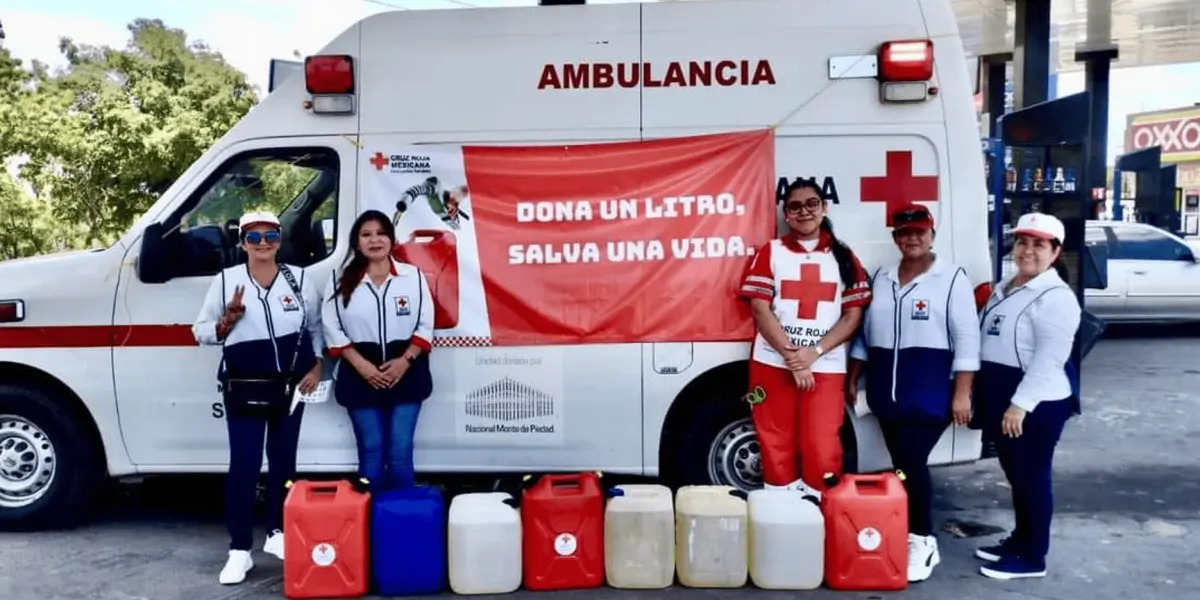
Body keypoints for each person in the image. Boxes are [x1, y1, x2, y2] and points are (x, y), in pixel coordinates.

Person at [846, 202, 980, 583]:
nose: (912, 238)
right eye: (904, 233)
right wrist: (852, 377)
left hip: (931, 394)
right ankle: (907, 530)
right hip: (886, 396)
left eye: (919, 231)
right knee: (903, 466)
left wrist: (963, 393)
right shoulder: (882, 277)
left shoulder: (951, 278)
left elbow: (968, 340)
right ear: (895, 238)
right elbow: (865, 337)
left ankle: (922, 538)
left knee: (909, 464)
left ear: (932, 233)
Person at [192, 210, 325, 585]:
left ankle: (278, 534)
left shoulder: (298, 280)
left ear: (280, 240)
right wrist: (227, 321)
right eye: (254, 237)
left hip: (291, 389)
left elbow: (315, 327)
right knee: (245, 468)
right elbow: (199, 332)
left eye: (270, 235)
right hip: (245, 387)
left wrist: (316, 367)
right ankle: (239, 551)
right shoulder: (225, 282)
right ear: (242, 242)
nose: (263, 243)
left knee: (284, 464)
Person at [737, 179, 872, 497]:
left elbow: (853, 316)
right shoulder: (771, 252)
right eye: (795, 206)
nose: (804, 212)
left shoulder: (844, 256)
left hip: (826, 367)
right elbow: (759, 308)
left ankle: (820, 513)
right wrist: (793, 358)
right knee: (774, 440)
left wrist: (812, 353)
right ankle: (781, 514)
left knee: (821, 444)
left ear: (824, 208)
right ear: (786, 213)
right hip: (771, 365)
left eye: (812, 203)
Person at [972, 212, 1081, 580]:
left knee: (1032, 477)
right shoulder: (1009, 284)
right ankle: (1020, 539)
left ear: (1055, 251)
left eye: (1038, 244)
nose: (1027, 250)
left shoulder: (1055, 298)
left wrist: (1020, 405)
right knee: (1017, 475)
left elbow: (1050, 358)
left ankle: (1033, 557)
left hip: (1035, 404)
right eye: (1022, 242)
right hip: (1003, 395)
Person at [323, 209, 435, 494]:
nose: (374, 240)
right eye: (366, 235)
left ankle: (399, 524)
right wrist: (362, 366)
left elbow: (425, 324)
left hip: (407, 374)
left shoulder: (413, 276)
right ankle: (368, 527)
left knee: (399, 453)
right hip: (359, 375)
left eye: (381, 233)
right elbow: (331, 326)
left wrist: (405, 361)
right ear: (356, 242)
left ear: (391, 238)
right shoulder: (339, 278)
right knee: (371, 453)